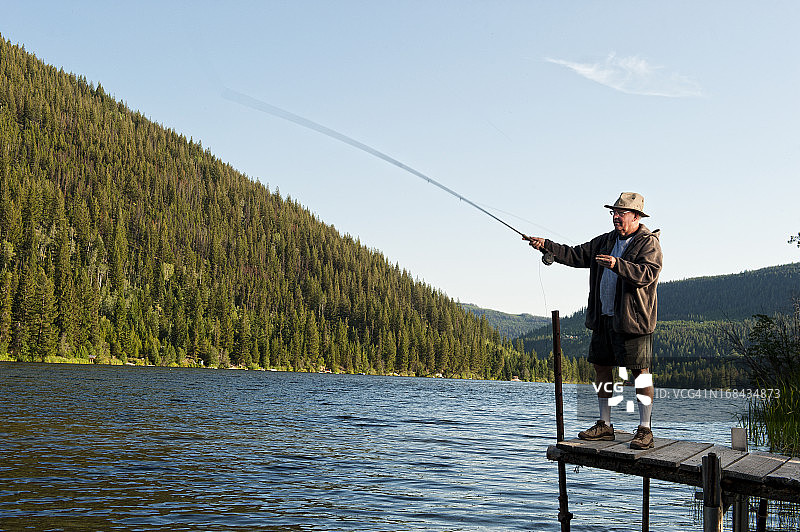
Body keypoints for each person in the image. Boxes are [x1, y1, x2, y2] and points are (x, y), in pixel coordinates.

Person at [525, 192, 662, 449]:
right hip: (603, 318)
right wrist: (546, 245)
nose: (616, 217)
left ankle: (645, 429)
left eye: (621, 213)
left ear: (636, 216)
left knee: (640, 373)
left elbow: (647, 274)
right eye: (613, 213)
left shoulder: (648, 243)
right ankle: (605, 425)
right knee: (601, 367)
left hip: (634, 320)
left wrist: (617, 264)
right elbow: (575, 254)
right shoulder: (605, 241)